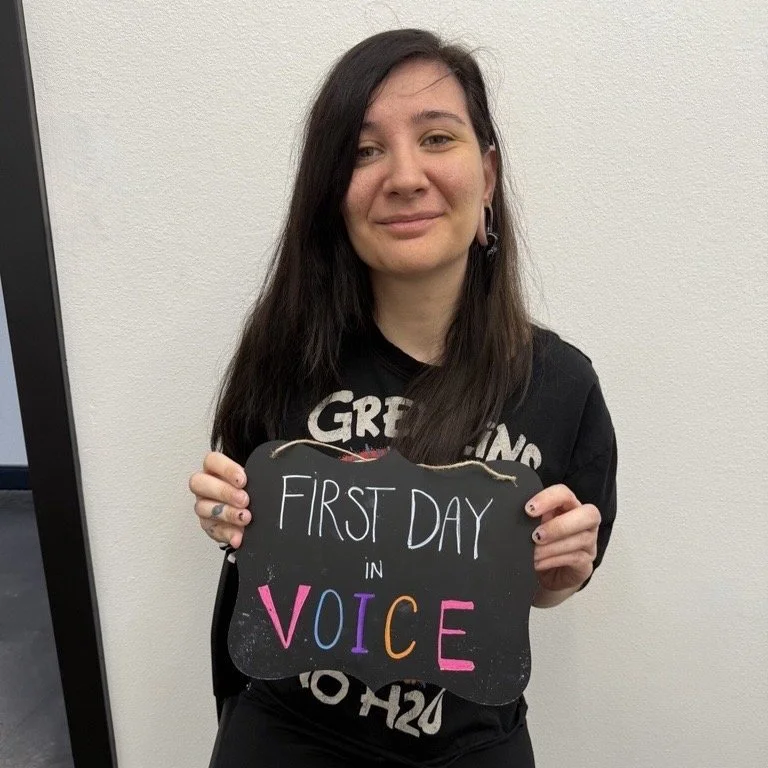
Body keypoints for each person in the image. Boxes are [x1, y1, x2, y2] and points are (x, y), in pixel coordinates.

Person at [188, 28, 617, 768]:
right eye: (364, 151)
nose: (405, 176)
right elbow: (255, 547)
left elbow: (541, 589)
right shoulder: (284, 356)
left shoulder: (562, 384)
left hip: (470, 744)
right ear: (332, 191)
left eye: (437, 138)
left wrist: (557, 576)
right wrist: (227, 516)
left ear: (487, 174)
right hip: (289, 733)